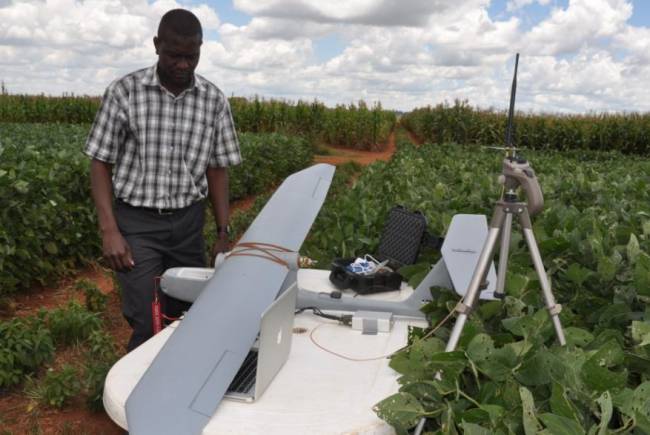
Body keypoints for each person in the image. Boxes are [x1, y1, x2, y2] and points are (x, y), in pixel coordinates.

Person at [84, 8, 242, 351]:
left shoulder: (213, 100)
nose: (183, 64)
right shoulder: (125, 92)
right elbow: (100, 162)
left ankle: (179, 389)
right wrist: (109, 230)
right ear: (157, 45)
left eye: (192, 56)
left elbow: (217, 168)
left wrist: (222, 233)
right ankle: (137, 395)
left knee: (186, 314)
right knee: (147, 317)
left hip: (188, 223)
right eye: (174, 55)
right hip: (138, 224)